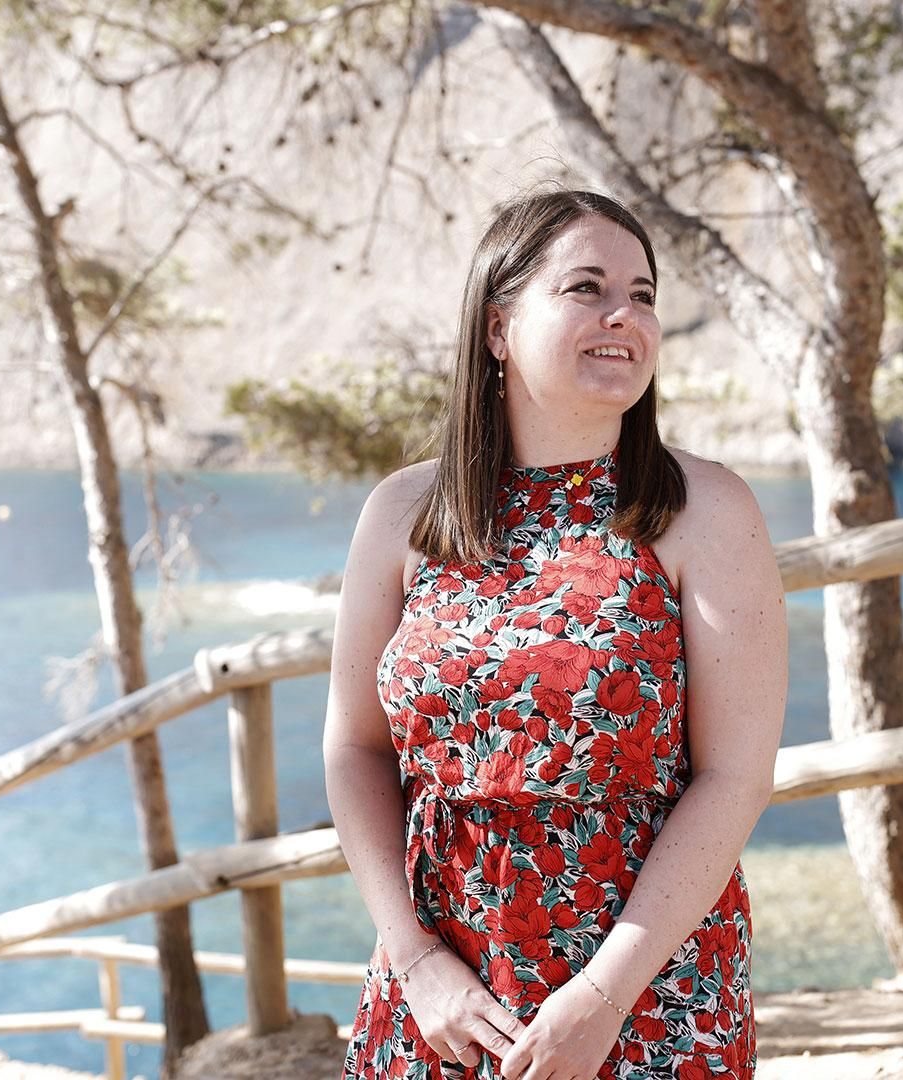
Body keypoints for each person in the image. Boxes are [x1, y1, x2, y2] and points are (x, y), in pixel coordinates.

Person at [324, 188, 788, 1080]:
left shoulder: (705, 510)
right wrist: (416, 960)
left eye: (644, 294)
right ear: (498, 327)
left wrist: (604, 996)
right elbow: (352, 748)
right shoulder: (404, 515)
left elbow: (735, 777)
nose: (627, 315)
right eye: (587, 287)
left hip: (646, 990)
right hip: (438, 991)